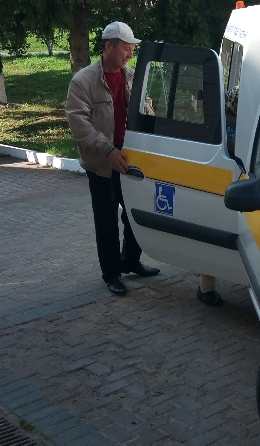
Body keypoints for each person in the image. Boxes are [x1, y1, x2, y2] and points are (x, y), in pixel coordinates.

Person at [65, 21, 160, 296]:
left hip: (131, 156)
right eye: (126, 49)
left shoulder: (131, 76)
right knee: (106, 219)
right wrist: (107, 150)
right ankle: (111, 273)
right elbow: (78, 124)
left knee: (135, 211)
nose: (130, 54)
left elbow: (145, 109)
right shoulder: (83, 81)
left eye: (132, 50)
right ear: (109, 47)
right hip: (102, 161)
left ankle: (130, 260)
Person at [196, 85, 240, 307]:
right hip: (218, 182)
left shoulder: (235, 119)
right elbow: (236, 146)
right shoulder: (222, 124)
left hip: (236, 183)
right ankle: (206, 288)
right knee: (213, 234)